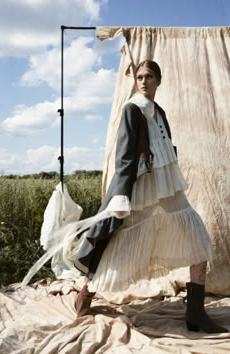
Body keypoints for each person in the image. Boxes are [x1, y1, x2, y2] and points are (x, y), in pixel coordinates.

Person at [73, 59, 228, 334]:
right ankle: (87, 292)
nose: (144, 81)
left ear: (159, 81)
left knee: (197, 236)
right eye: (140, 77)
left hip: (165, 185)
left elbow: (165, 148)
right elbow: (124, 155)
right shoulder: (132, 108)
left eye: (149, 77)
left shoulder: (159, 112)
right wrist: (120, 195)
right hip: (139, 188)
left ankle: (195, 314)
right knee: (118, 241)